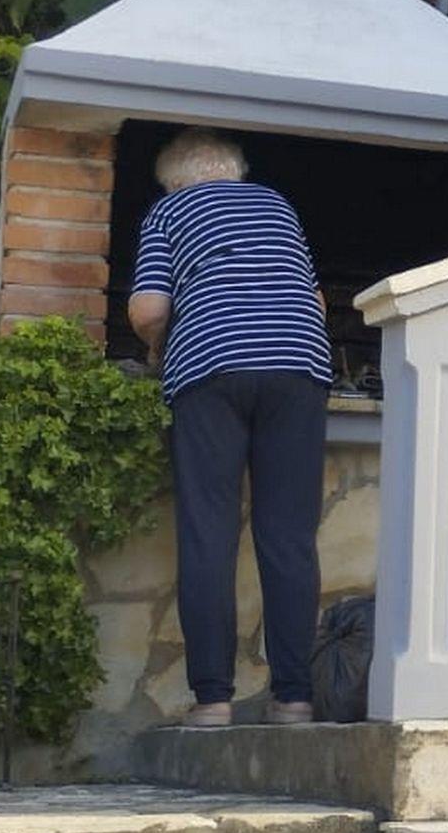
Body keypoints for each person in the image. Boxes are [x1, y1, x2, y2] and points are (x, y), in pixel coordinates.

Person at [128, 128, 332, 727]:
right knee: (289, 536)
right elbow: (317, 302)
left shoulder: (169, 210)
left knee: (209, 534)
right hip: (297, 364)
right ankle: (293, 699)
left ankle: (213, 700)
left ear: (174, 180)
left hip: (211, 367)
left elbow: (148, 308)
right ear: (234, 170)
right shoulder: (276, 203)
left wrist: (156, 346)